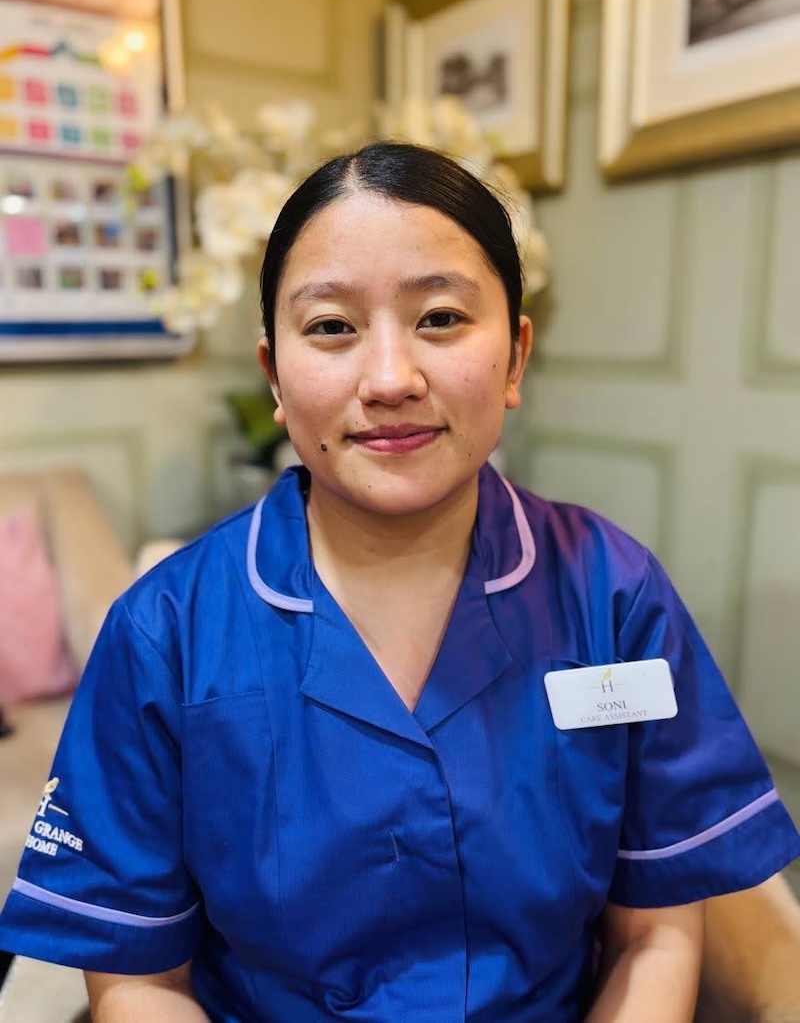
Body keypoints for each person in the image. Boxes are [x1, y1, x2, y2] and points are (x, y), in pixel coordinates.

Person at [0, 143, 798, 1022]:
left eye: (442, 318)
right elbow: (140, 978)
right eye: (333, 327)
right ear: (274, 375)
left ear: (516, 356)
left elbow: (657, 929)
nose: (389, 379)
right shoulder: (165, 631)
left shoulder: (615, 595)